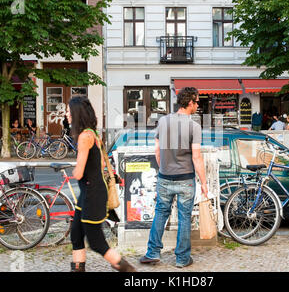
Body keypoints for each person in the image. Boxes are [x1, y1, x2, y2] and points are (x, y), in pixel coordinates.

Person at [140, 87, 208, 268]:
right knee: (185, 217)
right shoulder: (194, 126)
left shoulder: (163, 121)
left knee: (161, 213)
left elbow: (157, 150)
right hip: (185, 179)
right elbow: (196, 157)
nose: (198, 105)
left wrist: (164, 167)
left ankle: (152, 253)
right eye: (197, 101)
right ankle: (182, 258)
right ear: (190, 103)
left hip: (164, 177)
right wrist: (203, 182)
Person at [67, 97, 136, 272]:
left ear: (76, 114)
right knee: (76, 234)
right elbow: (100, 165)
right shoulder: (92, 133)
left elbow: (80, 172)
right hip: (89, 193)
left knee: (96, 242)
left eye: (68, 111)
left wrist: (68, 169)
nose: (66, 114)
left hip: (92, 194)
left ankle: (127, 269)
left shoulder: (84, 136)